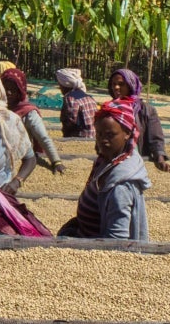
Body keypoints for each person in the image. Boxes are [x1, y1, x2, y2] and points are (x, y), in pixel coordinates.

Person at [59, 101, 151, 240]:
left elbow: (116, 240)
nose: (103, 140)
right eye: (99, 134)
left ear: (127, 133)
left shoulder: (120, 187)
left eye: (110, 135)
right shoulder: (107, 160)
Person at [1, 67, 63, 176]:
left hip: (22, 157)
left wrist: (55, 161)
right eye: (5, 89)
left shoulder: (28, 113)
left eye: (13, 90)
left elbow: (43, 137)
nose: (8, 93)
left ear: (20, 90)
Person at [107, 68, 170, 170]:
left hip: (135, 161)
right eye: (113, 84)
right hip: (111, 161)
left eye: (121, 84)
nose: (116, 87)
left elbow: (155, 139)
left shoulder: (147, 110)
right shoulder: (109, 109)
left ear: (131, 85)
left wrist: (160, 159)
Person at [55, 68, 98, 139]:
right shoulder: (89, 97)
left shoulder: (70, 98)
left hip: (81, 136)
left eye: (60, 85)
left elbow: (71, 121)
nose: (59, 87)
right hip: (93, 136)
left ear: (64, 85)